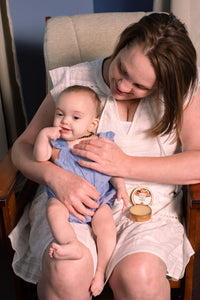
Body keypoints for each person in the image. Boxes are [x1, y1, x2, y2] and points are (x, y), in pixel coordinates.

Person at [10, 12, 200, 300]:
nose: (122, 86)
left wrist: (124, 164)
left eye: (140, 86)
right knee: (67, 269)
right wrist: (55, 176)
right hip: (71, 206)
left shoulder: (180, 94)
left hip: (147, 212)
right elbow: (22, 148)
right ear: (122, 44)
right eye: (122, 68)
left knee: (141, 279)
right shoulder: (74, 80)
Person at [33, 85, 129, 296]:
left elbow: (113, 168)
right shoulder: (56, 144)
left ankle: (101, 271)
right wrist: (42, 135)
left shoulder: (99, 142)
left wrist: (121, 186)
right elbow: (39, 158)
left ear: (92, 124)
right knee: (53, 211)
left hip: (99, 200)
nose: (65, 121)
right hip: (63, 199)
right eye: (60, 114)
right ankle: (71, 244)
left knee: (106, 228)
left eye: (75, 117)